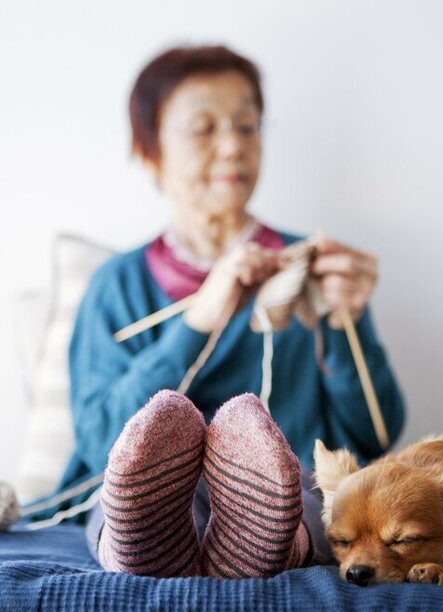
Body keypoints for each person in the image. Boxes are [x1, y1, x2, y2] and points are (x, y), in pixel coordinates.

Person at [57, 45, 405, 578]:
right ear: (150, 150)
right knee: (126, 496)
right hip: (148, 491)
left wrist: (346, 323)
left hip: (287, 489)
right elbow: (99, 438)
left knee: (297, 493)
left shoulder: (308, 273)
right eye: (203, 127)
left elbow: (373, 438)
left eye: (248, 126)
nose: (233, 147)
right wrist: (198, 321)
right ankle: (144, 545)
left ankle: (268, 540)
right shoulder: (118, 285)